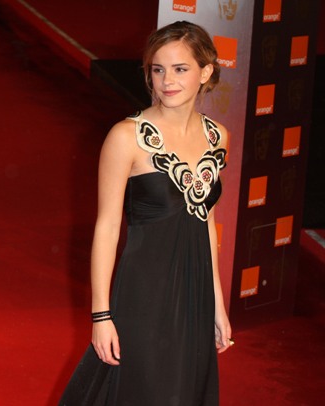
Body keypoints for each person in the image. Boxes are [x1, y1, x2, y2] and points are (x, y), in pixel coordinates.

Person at [60, 21, 233, 405]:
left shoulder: (217, 137)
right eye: (158, 69)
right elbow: (107, 228)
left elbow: (205, 220)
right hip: (144, 293)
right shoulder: (126, 137)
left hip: (195, 292)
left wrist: (217, 305)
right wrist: (101, 316)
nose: (167, 81)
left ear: (205, 72)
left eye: (180, 69)